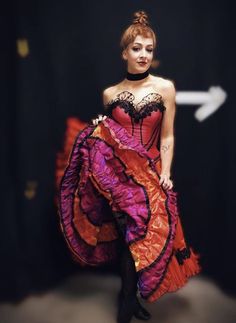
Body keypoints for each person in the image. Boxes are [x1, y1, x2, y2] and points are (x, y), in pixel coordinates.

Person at [57, 10, 201, 323]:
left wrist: (165, 173)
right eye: (137, 48)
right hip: (121, 179)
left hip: (151, 174)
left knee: (140, 240)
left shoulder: (165, 88)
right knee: (128, 236)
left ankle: (129, 298)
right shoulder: (110, 93)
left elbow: (168, 134)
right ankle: (126, 302)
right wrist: (99, 127)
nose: (144, 55)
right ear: (125, 52)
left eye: (149, 49)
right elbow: (113, 136)